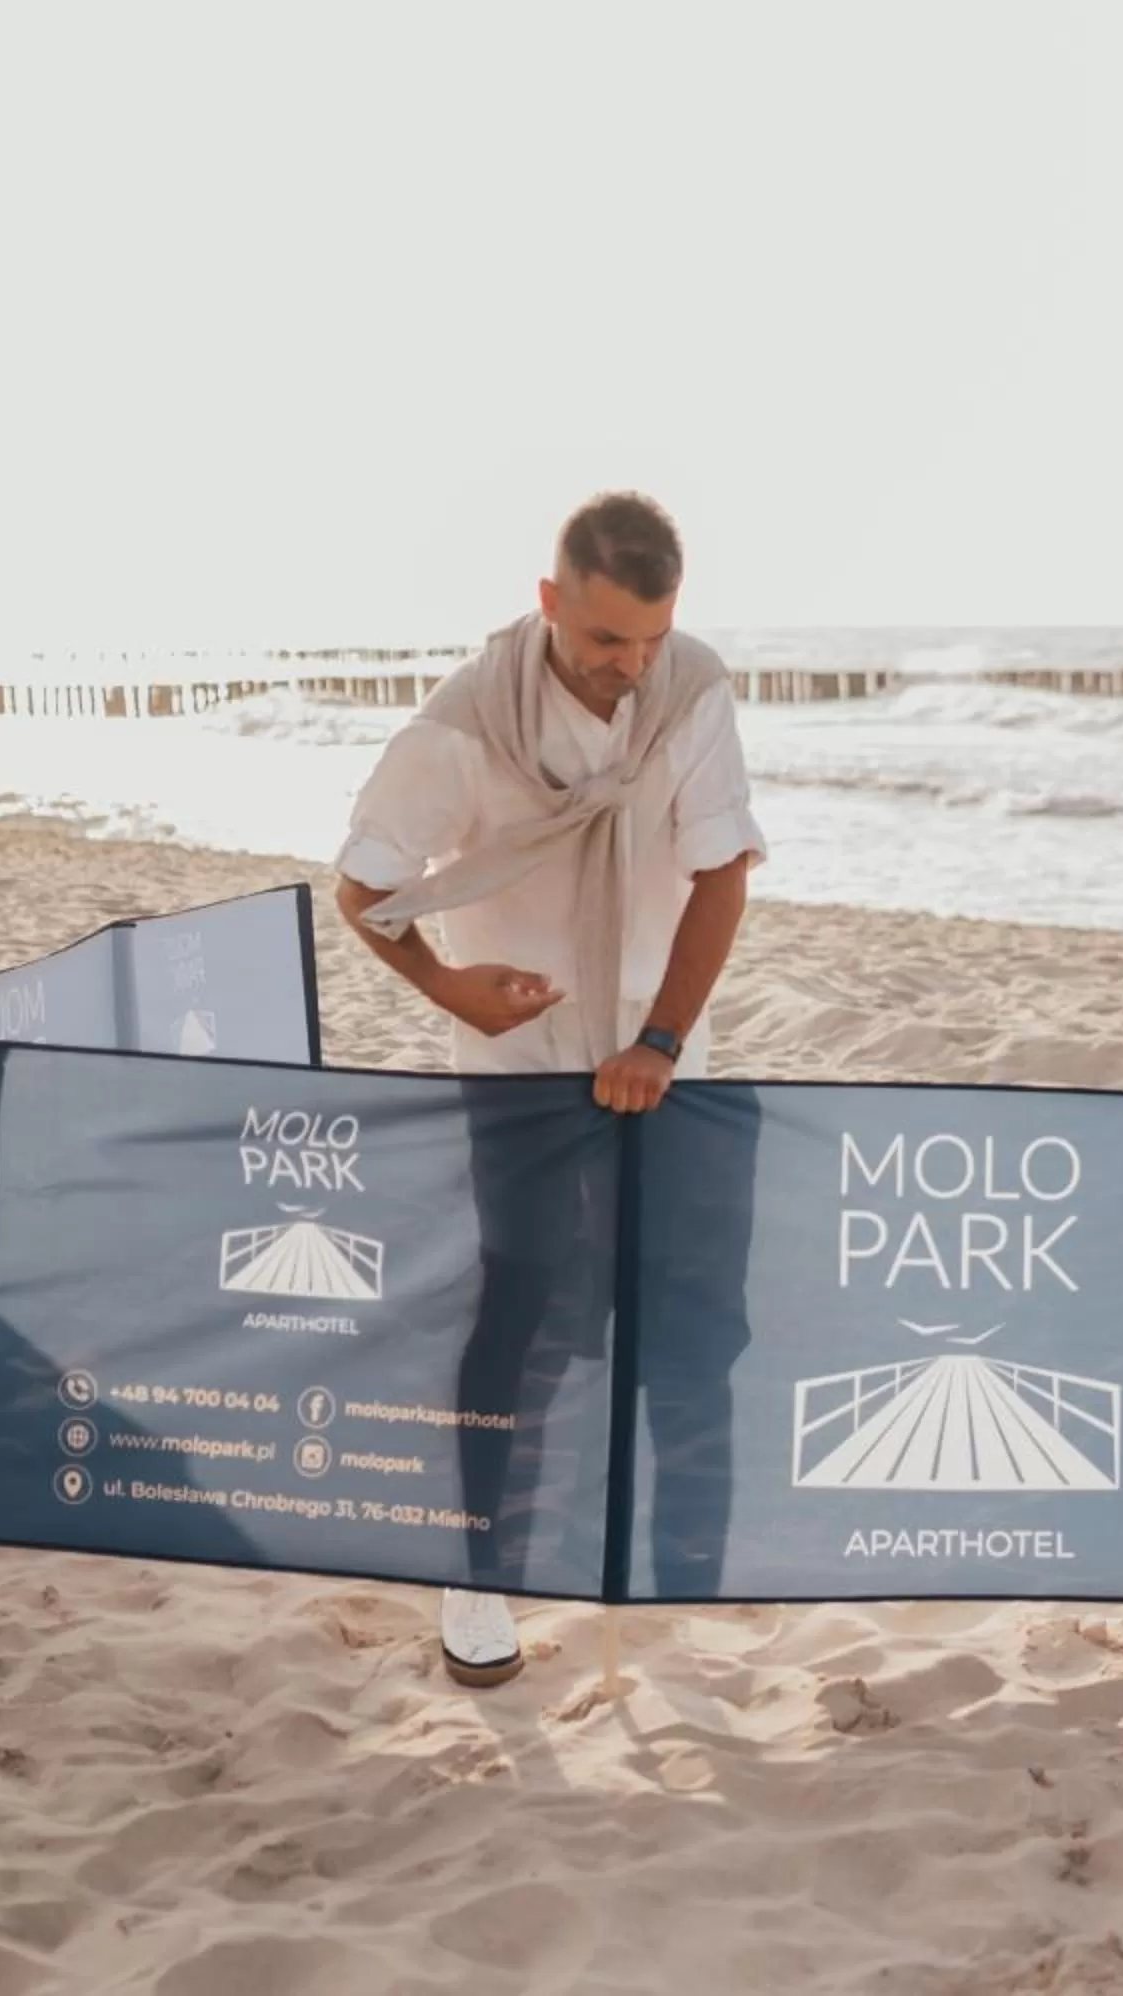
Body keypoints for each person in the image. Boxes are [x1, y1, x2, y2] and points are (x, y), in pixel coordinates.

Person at [334, 491, 768, 1682]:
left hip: (669, 1059)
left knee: (695, 1318)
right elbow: (364, 884)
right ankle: (480, 1570)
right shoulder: (466, 723)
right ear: (548, 604)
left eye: (651, 637)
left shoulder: (692, 687)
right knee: (521, 1312)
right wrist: (451, 989)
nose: (632, 667)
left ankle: (684, 1565)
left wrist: (662, 1040)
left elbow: (722, 877)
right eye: (605, 641)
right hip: (519, 1068)